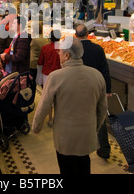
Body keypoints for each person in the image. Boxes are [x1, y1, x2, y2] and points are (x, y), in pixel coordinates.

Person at [32, 37, 108, 174]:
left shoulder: (55, 77)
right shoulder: (97, 75)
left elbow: (44, 105)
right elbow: (103, 108)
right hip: (87, 133)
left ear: (67, 55)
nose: (58, 54)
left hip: (65, 137)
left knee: (67, 168)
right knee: (84, 164)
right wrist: (95, 127)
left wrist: (36, 126)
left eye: (60, 52)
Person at [75, 24, 112, 159]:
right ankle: (104, 149)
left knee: (79, 116)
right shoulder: (98, 48)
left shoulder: (74, 49)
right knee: (99, 117)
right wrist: (108, 89)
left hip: (79, 88)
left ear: (76, 36)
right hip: (96, 87)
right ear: (88, 34)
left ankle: (81, 146)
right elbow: (105, 69)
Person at [37, 29, 61, 126]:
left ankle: (50, 119)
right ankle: (57, 118)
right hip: (60, 75)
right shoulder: (63, 48)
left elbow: (40, 62)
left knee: (48, 98)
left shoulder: (45, 48)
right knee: (58, 97)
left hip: (47, 75)